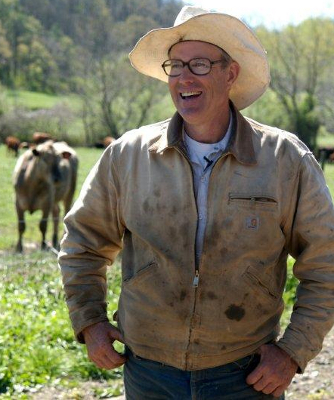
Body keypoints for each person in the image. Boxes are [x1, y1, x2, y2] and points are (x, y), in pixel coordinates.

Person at [58, 6, 334, 399]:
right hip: (148, 373)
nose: (185, 77)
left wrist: (292, 352)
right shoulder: (128, 155)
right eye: (176, 65)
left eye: (200, 64)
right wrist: (89, 321)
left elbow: (326, 263)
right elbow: (83, 243)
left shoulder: (285, 160)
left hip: (247, 375)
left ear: (230, 73)